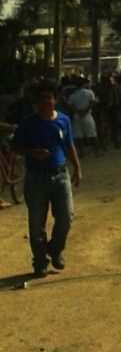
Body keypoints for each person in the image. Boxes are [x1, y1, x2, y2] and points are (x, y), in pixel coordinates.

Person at [12, 83, 82, 277]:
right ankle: (40, 261)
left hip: (60, 175)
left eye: (49, 98)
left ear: (55, 100)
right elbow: (16, 147)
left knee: (66, 217)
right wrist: (33, 152)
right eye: (42, 98)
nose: (46, 101)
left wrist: (77, 167)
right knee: (36, 224)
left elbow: (69, 145)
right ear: (38, 101)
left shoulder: (63, 120)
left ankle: (55, 249)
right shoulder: (28, 124)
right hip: (36, 179)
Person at [68, 77, 102, 157]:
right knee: (93, 134)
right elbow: (92, 103)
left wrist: (77, 111)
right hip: (87, 115)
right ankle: (97, 152)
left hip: (77, 115)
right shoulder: (90, 93)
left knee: (79, 135)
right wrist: (85, 111)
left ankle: (81, 153)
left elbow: (70, 105)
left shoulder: (73, 95)